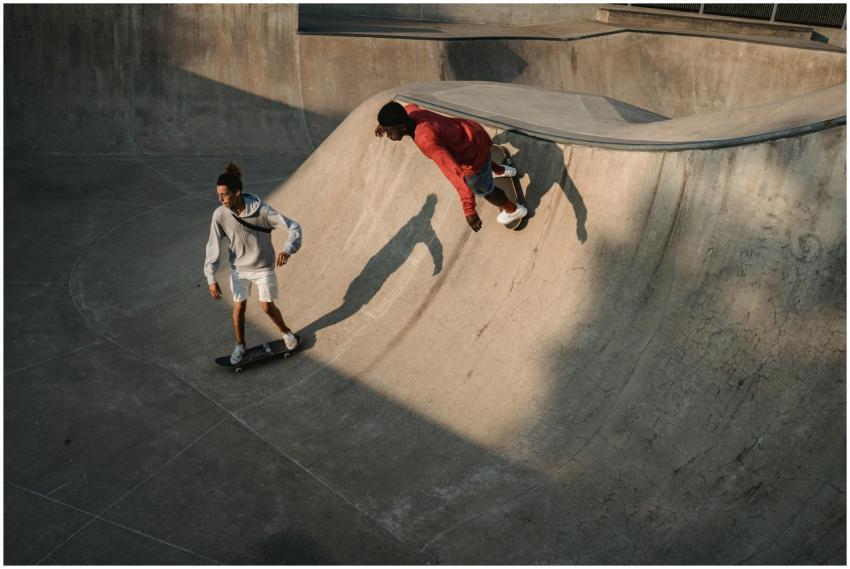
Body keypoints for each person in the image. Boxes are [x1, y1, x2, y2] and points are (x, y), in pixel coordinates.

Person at [374, 101, 528, 232]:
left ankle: (514, 210)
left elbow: (455, 173)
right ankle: (502, 170)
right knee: (481, 164)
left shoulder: (427, 141)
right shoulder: (411, 112)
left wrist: (468, 208)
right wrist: (384, 124)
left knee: (483, 189)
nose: (387, 135)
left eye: (389, 131)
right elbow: (407, 107)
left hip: (472, 157)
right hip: (473, 132)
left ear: (402, 127)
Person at [204, 162, 302, 364]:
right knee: (239, 308)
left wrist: (287, 249)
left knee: (267, 307)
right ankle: (240, 345)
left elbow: (293, 226)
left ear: (237, 192)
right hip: (238, 270)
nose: (220, 199)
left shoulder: (262, 211)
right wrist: (211, 277)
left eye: (224, 195)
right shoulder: (220, 215)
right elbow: (212, 246)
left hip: (263, 268)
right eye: (218, 195)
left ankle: (286, 332)